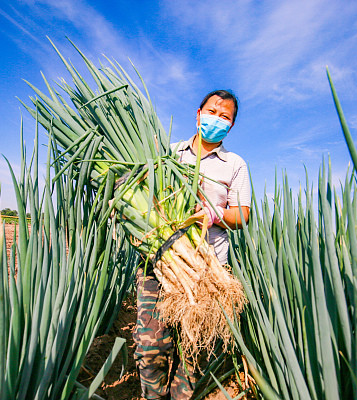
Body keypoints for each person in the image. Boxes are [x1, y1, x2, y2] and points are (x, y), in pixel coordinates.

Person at [133, 90, 251, 399]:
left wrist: (214, 214)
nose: (217, 119)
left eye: (225, 117)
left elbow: (242, 216)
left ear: (232, 125)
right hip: (159, 263)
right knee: (150, 346)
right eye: (212, 112)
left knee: (194, 352)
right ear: (198, 114)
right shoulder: (170, 154)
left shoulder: (234, 164)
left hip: (209, 268)